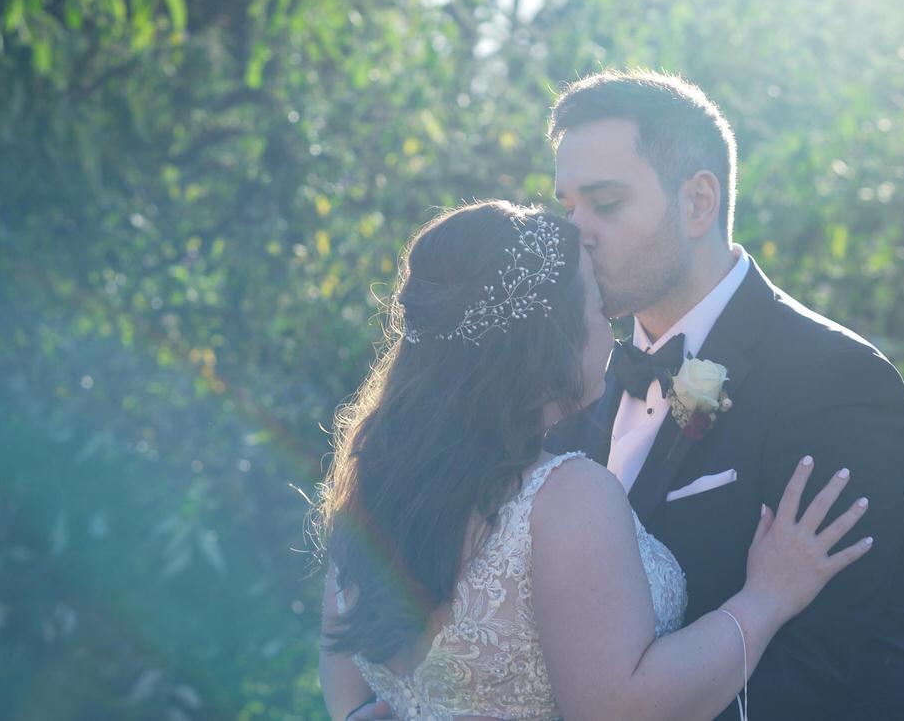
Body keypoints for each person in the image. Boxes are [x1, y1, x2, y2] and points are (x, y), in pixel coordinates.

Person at [315, 200, 873, 720]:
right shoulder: (566, 495)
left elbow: (349, 692)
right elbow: (623, 708)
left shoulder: (373, 480)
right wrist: (767, 598)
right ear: (548, 341)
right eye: (597, 310)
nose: (611, 331)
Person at [545, 70, 904, 719]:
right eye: (566, 207)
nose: (577, 233)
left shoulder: (837, 382)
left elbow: (827, 656)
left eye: (605, 204)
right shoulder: (570, 394)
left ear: (698, 203)